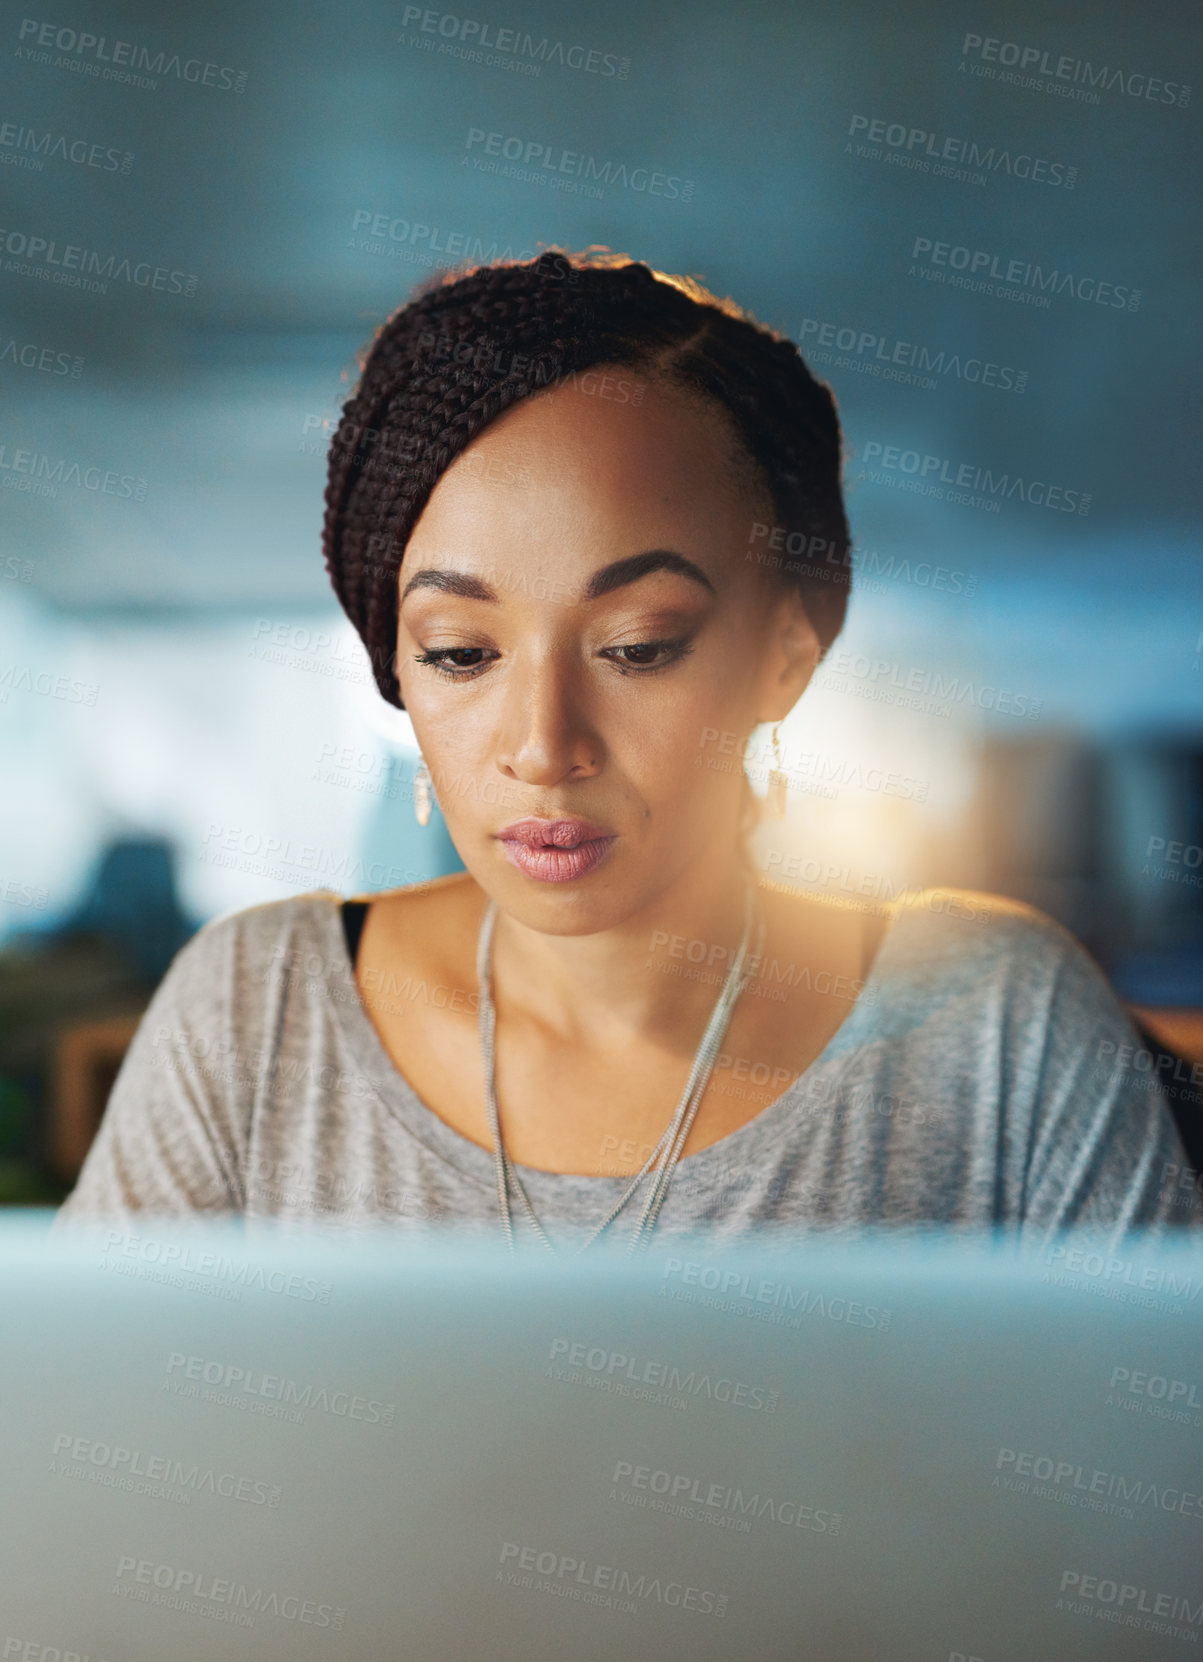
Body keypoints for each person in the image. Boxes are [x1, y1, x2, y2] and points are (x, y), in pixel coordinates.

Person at [57, 249, 1201, 1252]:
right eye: (461, 652)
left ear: (785, 656)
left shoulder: (996, 1030)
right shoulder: (258, 1015)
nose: (545, 748)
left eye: (640, 647)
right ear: (396, 671)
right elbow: (75, 1463)